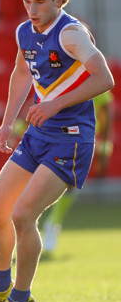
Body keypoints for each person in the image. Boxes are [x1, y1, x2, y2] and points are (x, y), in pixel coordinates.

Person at [0, 0, 114, 302]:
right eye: (27, 1)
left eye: (41, 2)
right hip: (37, 134)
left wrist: (54, 104)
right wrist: (6, 122)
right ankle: (0, 289)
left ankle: (19, 298)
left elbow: (105, 78)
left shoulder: (72, 33)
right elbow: (20, 73)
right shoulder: (24, 31)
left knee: (22, 215)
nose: (32, 9)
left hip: (71, 138)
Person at [42, 90, 114, 252]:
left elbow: (107, 109)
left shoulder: (92, 72)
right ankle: (8, 232)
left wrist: (104, 147)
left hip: (81, 138)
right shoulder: (58, 73)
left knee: (70, 183)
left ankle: (53, 224)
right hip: (54, 133)